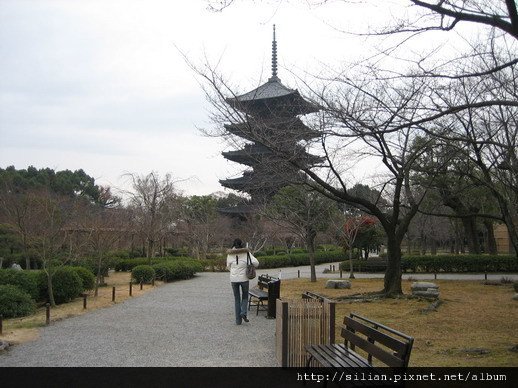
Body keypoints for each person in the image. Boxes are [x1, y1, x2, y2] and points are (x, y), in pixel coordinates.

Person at [226, 238, 259, 325]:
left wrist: (233, 272)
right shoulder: (246, 253)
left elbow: (228, 266)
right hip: (244, 279)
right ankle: (243, 312)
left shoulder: (229, 254)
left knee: (237, 299)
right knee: (245, 297)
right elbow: (256, 263)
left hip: (233, 280)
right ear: (241, 244)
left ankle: (238, 321)